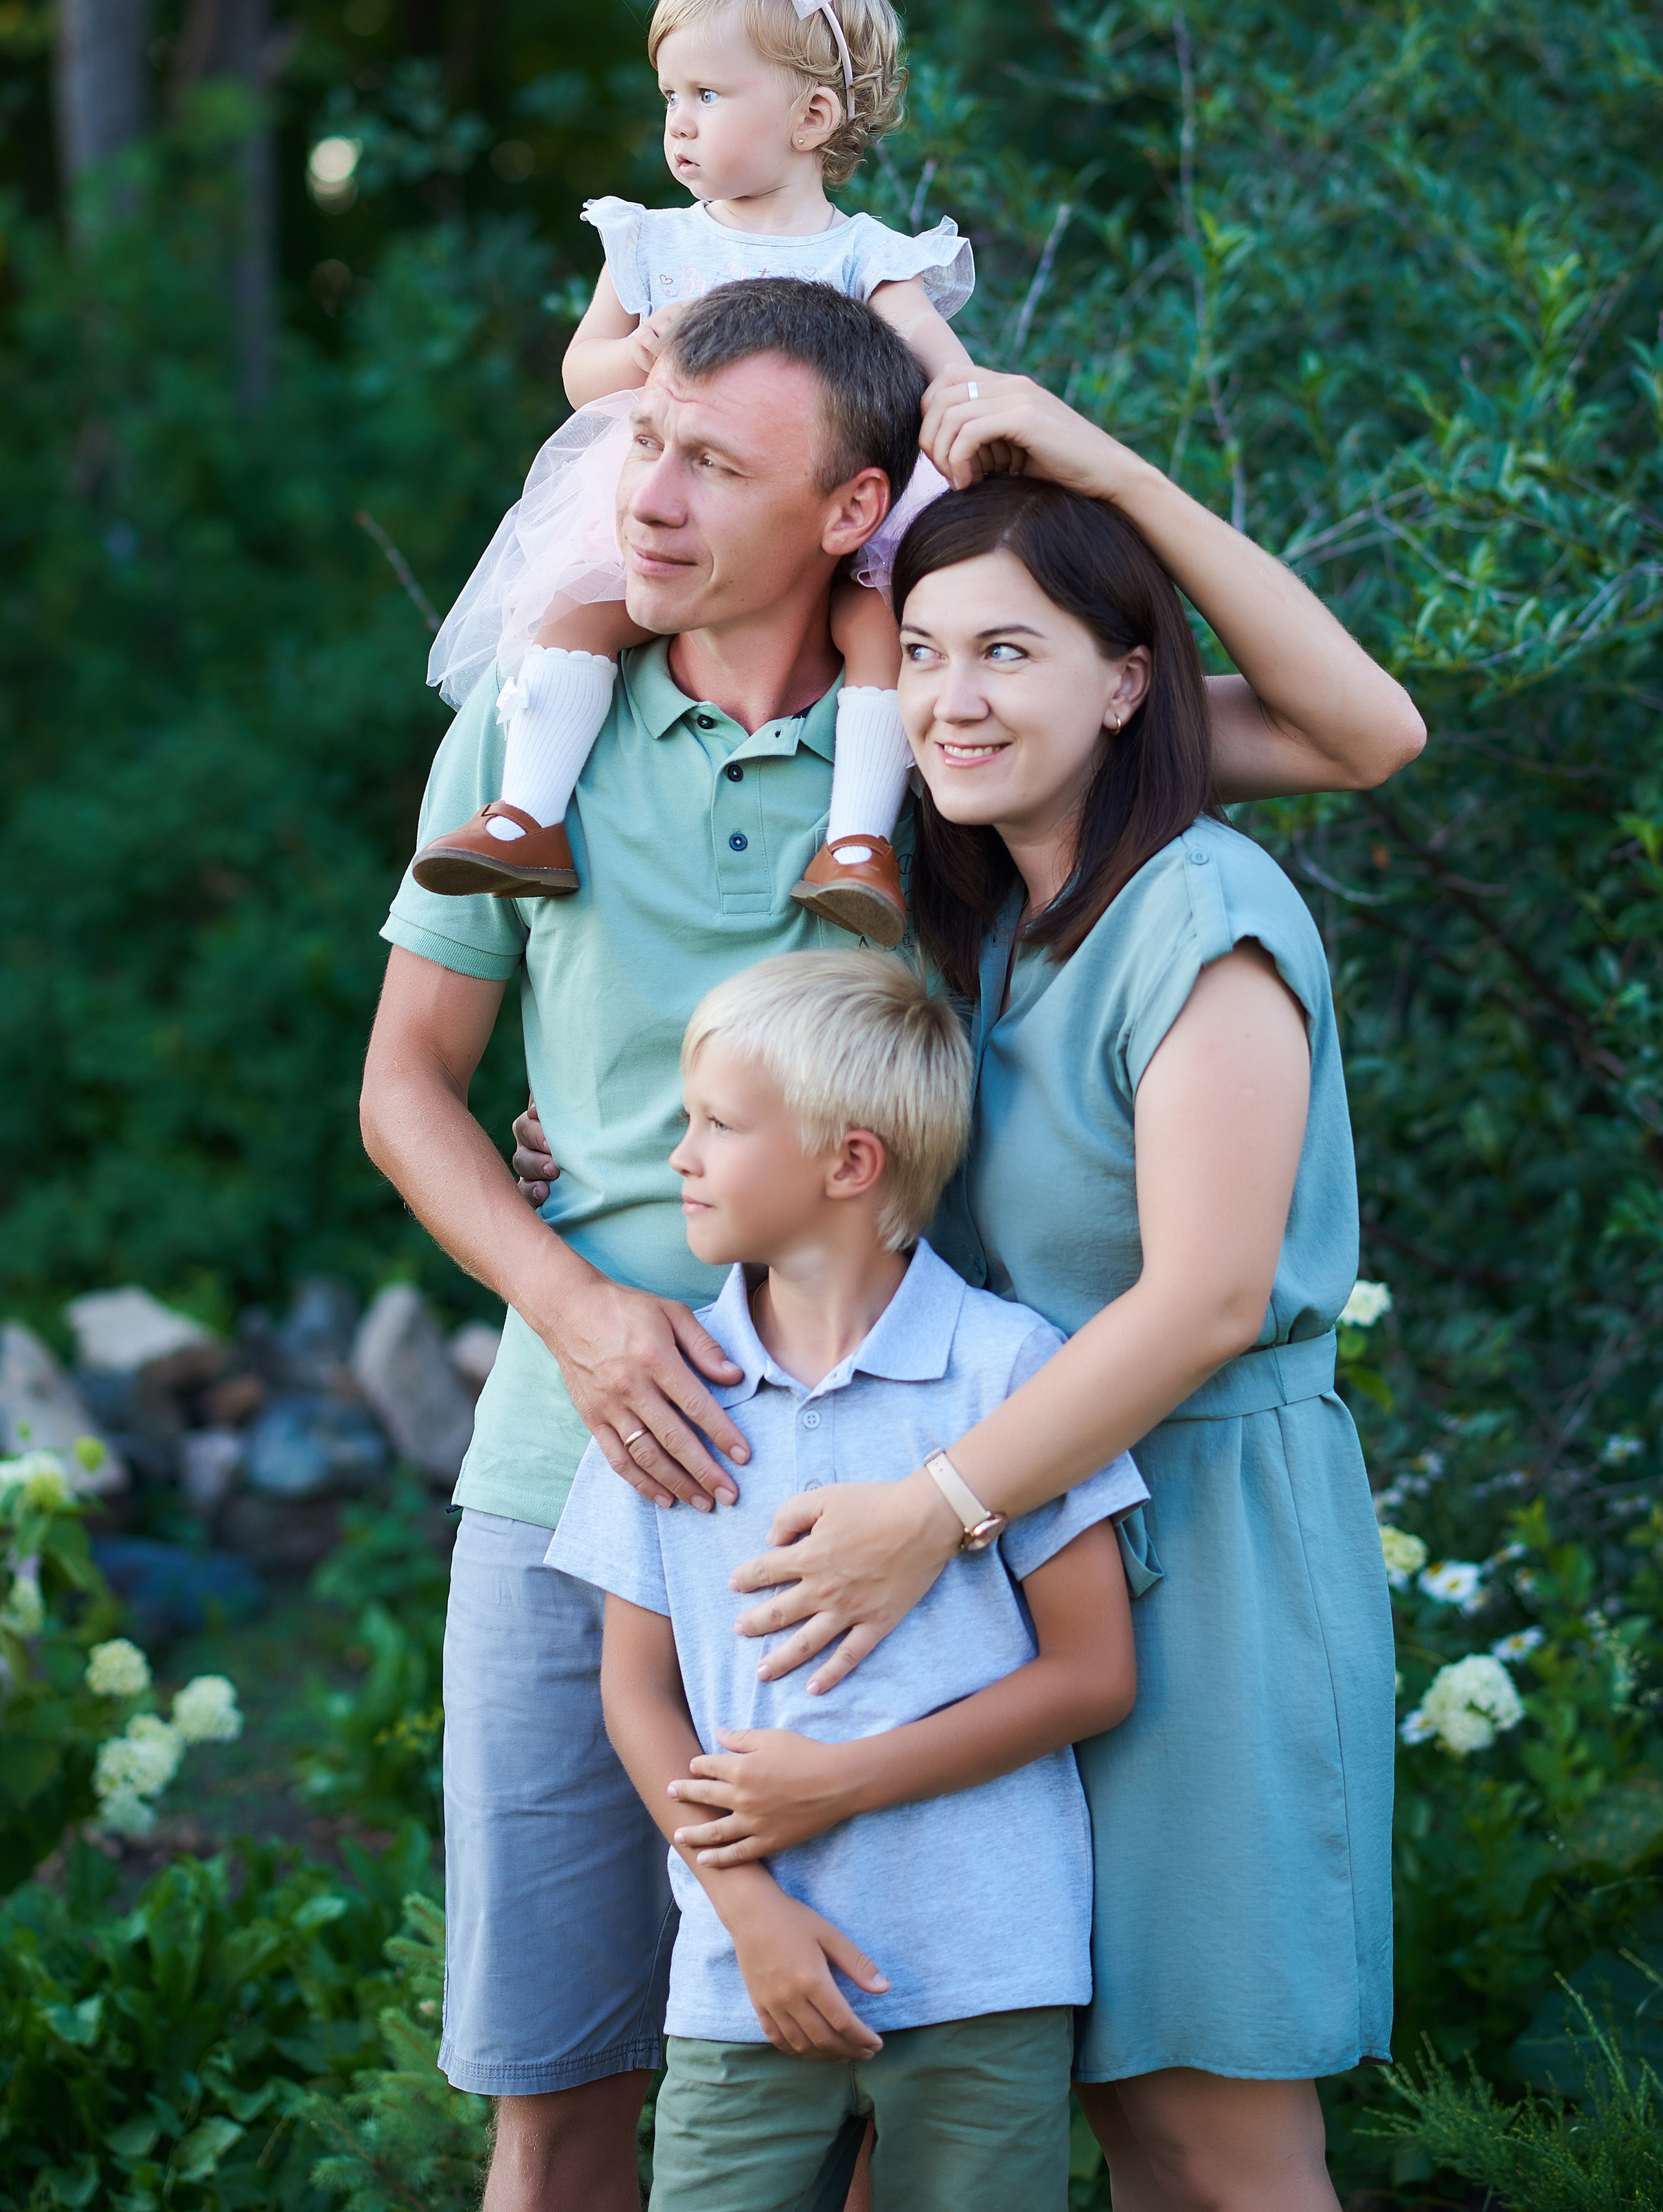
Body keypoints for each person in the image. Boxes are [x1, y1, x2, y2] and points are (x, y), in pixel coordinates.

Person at [361, 277, 1420, 2212]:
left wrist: (1090, 465)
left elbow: (1358, 735)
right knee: (704, 2074)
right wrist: (591, 1242)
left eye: (712, 460)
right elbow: (457, 1082)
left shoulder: (1071, 851)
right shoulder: (751, 792)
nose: (644, 495)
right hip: (768, 1493)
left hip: (1026, 1498)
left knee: (1078, 2093)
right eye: (642, 444)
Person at [692, 375, 1427, 2212]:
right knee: (1005, 2101)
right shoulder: (995, 925)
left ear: (1125, 682)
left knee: (1205, 2129)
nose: (952, 694)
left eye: (1010, 651)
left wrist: (929, 1517)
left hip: (1201, 1547)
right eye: (924, 652)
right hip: (1008, 1572)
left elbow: (1199, 1299)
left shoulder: (1203, 911)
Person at [547, 949, 1146, 2212]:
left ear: (850, 1162)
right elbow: (636, 1695)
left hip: (988, 1970)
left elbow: (1094, 1673)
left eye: (717, 1123)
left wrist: (840, 1783)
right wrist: (747, 1908)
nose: (682, 1156)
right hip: (742, 1973)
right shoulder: (671, 1389)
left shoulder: (1009, 1372)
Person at [411, 0, 978, 945]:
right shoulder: (652, 243)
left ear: (812, 119)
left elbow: (939, 362)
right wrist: (635, 359)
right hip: (664, 492)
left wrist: (969, 411)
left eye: (709, 95)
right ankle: (528, 815)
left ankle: (858, 843)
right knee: (578, 614)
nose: (677, 121)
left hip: (823, 499)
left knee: (875, 627)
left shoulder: (860, 254)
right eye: (670, 94)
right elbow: (584, 373)